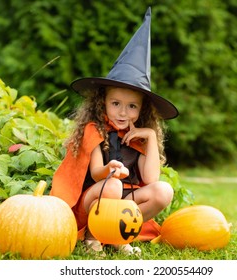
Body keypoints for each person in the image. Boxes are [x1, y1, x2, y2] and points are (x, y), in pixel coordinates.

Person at [50, 7, 179, 256]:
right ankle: (93, 235)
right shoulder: (93, 129)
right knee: (112, 187)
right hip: (96, 197)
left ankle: (119, 233)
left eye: (132, 106)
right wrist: (109, 170)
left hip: (124, 202)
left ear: (142, 110)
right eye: (116, 104)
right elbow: (98, 173)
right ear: (103, 102)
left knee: (164, 191)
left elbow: (151, 180)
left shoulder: (140, 136)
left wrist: (150, 137)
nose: (123, 113)